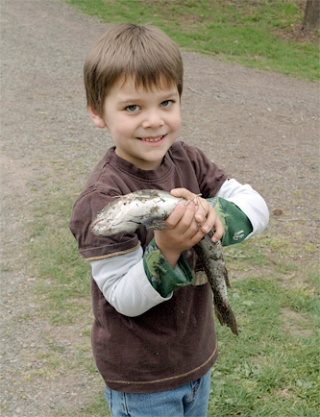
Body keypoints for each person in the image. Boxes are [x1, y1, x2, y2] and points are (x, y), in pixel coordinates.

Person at [69, 23, 269, 417]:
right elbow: (124, 298)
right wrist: (168, 248)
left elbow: (256, 206)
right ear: (97, 112)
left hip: (195, 357)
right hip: (141, 379)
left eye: (166, 102)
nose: (154, 121)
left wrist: (217, 216)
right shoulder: (100, 202)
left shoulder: (188, 159)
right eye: (132, 108)